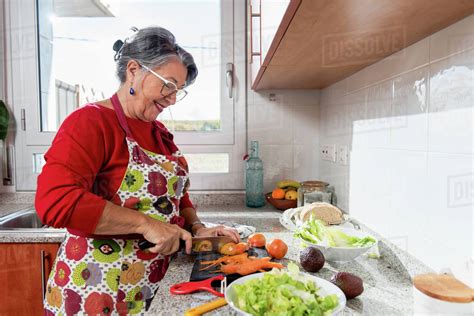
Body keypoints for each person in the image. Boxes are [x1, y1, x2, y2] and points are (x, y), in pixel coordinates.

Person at [35, 26, 240, 315]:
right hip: (95, 289)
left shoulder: (159, 133)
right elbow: (56, 203)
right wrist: (147, 225)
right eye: (168, 84)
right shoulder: (90, 122)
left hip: (149, 287)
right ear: (134, 70)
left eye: (178, 91)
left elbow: (176, 198)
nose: (171, 98)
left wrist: (197, 226)